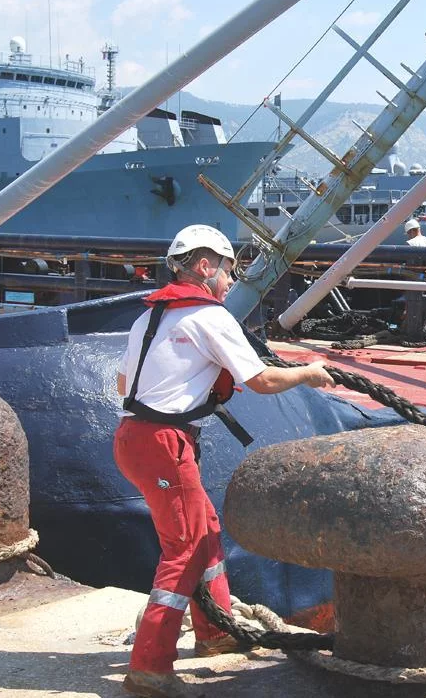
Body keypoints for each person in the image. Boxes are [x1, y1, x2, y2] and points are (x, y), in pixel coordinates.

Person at [114, 224, 334, 698]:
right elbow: (261, 381)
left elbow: (121, 386)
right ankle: (149, 668)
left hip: (132, 438)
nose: (231, 281)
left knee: (206, 528)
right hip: (163, 444)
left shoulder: (147, 319)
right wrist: (308, 373)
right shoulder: (210, 318)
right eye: (229, 270)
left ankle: (215, 634)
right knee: (185, 549)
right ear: (205, 266)